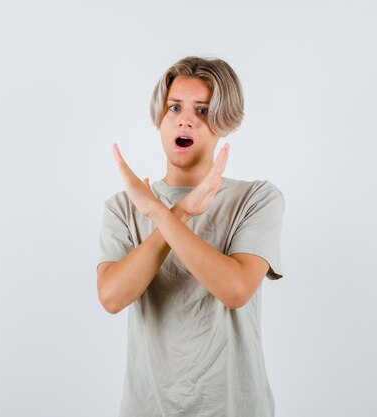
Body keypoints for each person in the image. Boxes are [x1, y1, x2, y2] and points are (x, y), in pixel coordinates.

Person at [96, 56, 285, 417]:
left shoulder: (257, 199)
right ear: (160, 118)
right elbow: (112, 297)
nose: (185, 119)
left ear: (223, 123)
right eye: (175, 107)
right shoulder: (124, 207)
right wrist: (176, 212)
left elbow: (235, 289)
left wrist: (160, 214)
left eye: (202, 110)